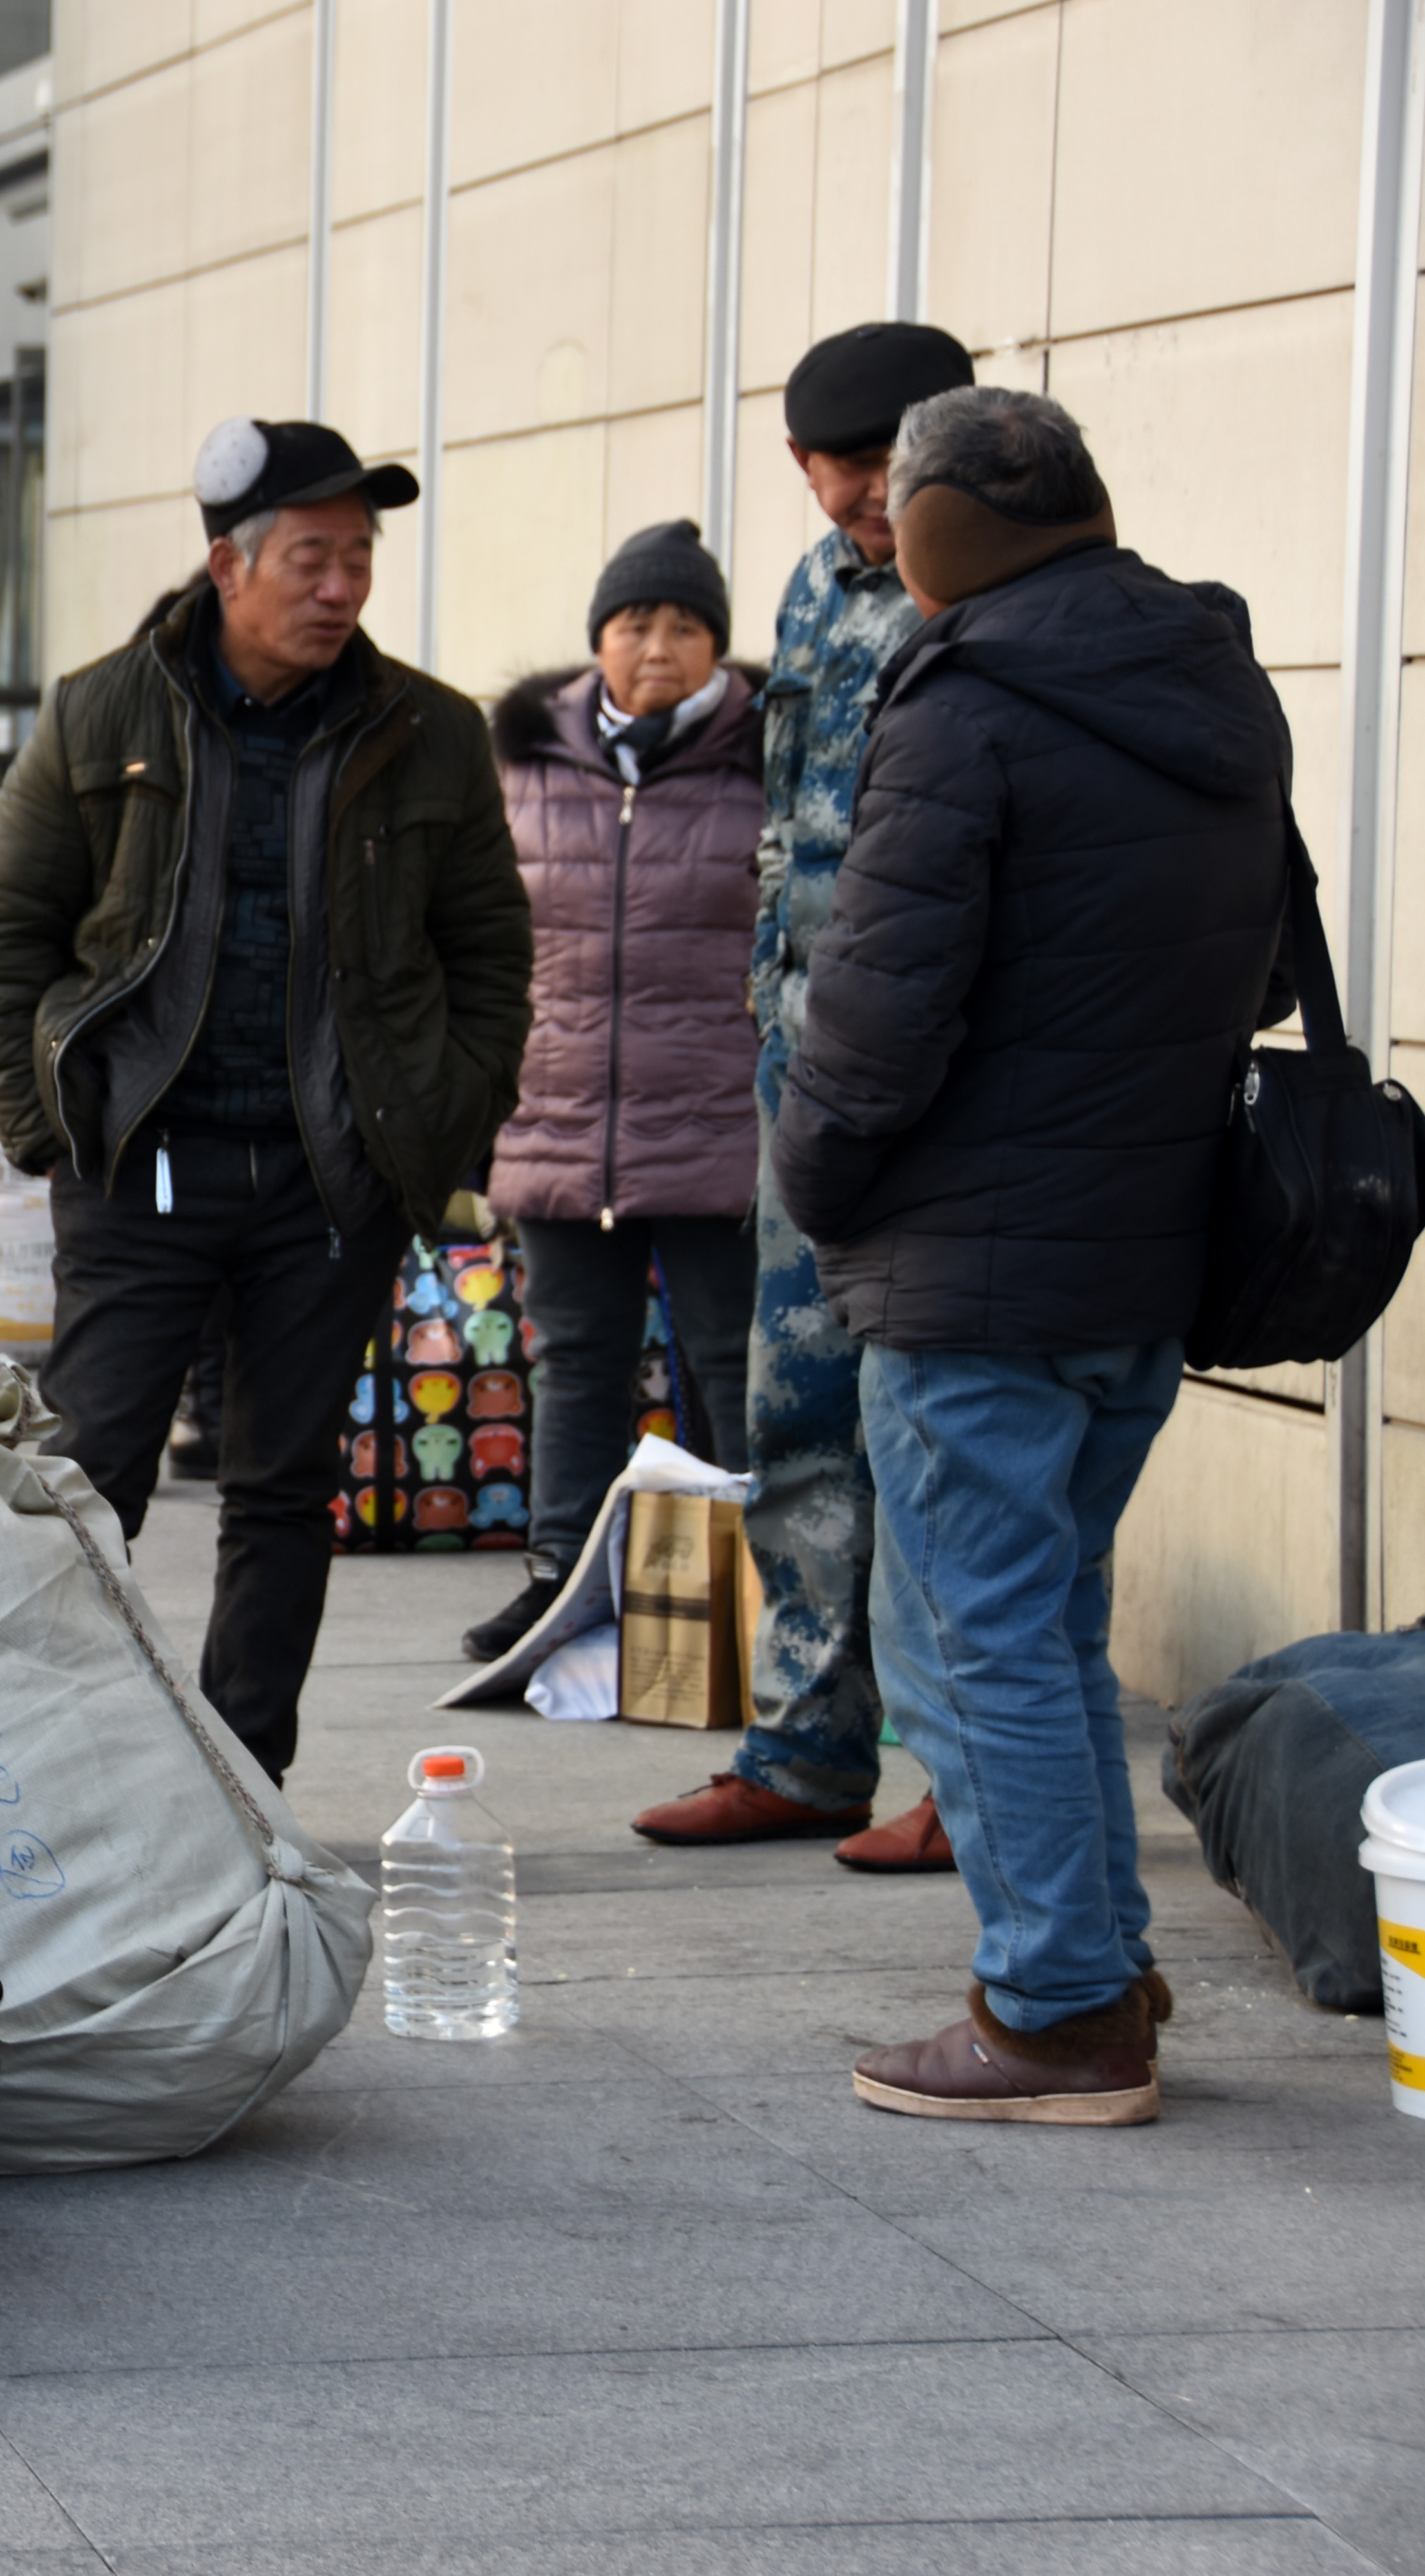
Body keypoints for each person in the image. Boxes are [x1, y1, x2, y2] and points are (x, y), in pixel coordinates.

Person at [774, 388, 1287, 2124]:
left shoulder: (967, 698)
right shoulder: (1209, 675)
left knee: (966, 1645)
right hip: (1143, 1249)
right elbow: (1262, 970)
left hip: (976, 1263)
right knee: (1048, 1629)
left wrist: (815, 1179)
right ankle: (1102, 1967)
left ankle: (1059, 2012)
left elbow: (876, 1010)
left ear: (941, 533)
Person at [0, 417, 531, 1785]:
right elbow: (2, 932)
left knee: (283, 1488)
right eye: (311, 559)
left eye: (359, 559)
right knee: (89, 1482)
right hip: (142, 1166)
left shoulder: (431, 731)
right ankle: (67, 1778)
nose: (341, 587)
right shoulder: (103, 711)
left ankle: (243, 1786)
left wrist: (445, 1123)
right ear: (230, 565)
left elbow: (490, 952)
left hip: (333, 1178)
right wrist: (50, 1131)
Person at [631, 320, 977, 1866]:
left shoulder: (999, 587)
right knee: (799, 1409)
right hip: (809, 1064)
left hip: (955, 1081)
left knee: (952, 1433)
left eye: (892, 470)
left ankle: (971, 1776)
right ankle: (806, 1748)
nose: (867, 501)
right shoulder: (811, 587)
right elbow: (787, 825)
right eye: (842, 475)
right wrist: (768, 1009)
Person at [464, 521, 761, 1661]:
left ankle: (761, 1593)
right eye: (636, 624)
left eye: (686, 627)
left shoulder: (765, 760)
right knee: (576, 1360)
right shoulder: (527, 761)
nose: (658, 648)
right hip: (558, 1116)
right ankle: (558, 1581)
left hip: (718, 1124)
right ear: (599, 639)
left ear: (717, 646)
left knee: (735, 1362)